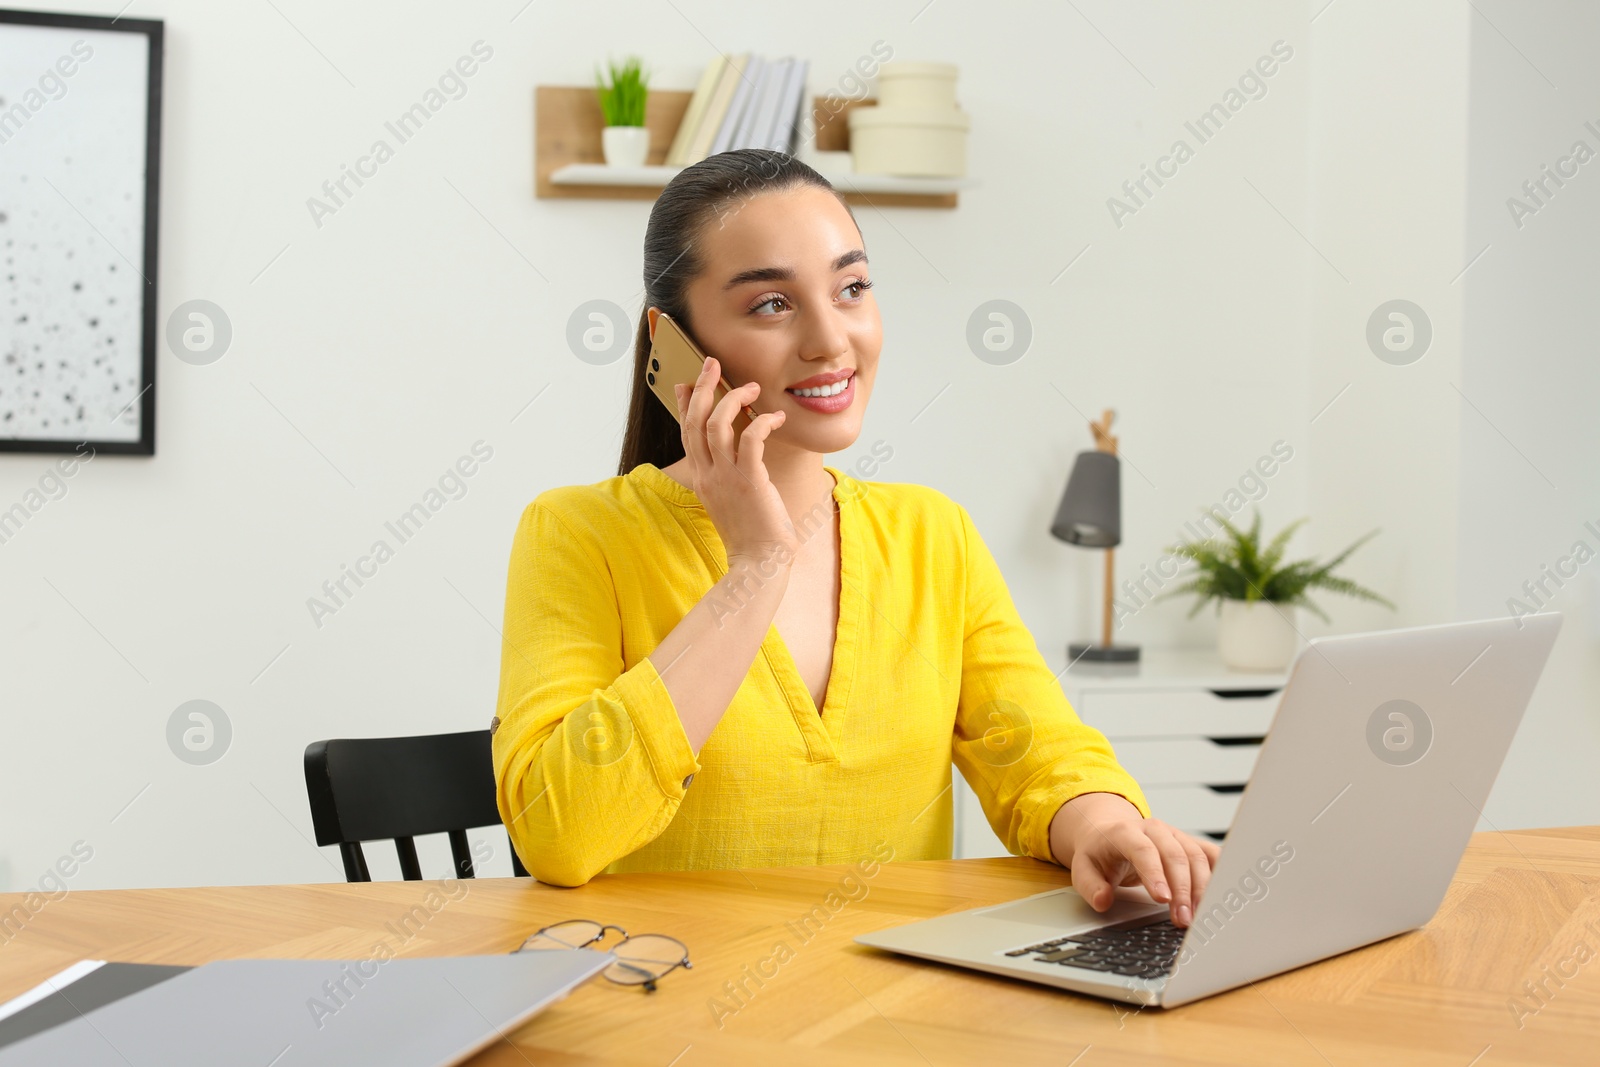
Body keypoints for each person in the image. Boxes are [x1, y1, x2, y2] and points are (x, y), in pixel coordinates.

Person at [492, 148, 1218, 927]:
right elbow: (559, 833)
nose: (831, 340)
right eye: (771, 304)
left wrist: (1104, 825)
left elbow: (1039, 752)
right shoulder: (577, 533)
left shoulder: (931, 534)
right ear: (673, 341)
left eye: (852, 288)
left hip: (894, 1019)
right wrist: (756, 566)